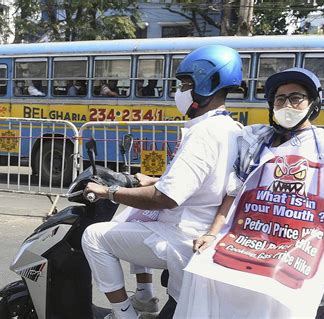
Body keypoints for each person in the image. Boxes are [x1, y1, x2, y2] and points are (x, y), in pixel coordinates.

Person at [175, 67, 324, 318]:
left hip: (299, 248)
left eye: (296, 98)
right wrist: (212, 233)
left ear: (313, 103)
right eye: (280, 99)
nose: (287, 105)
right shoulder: (255, 141)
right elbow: (234, 190)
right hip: (250, 242)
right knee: (204, 274)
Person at [81, 44, 243, 319]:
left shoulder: (203, 133)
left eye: (185, 84)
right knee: (132, 216)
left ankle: (124, 315)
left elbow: (166, 198)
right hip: (203, 225)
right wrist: (154, 179)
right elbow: (208, 179)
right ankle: (144, 297)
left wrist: (109, 191)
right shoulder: (232, 128)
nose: (179, 92)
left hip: (183, 234)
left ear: (207, 84)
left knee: (94, 236)